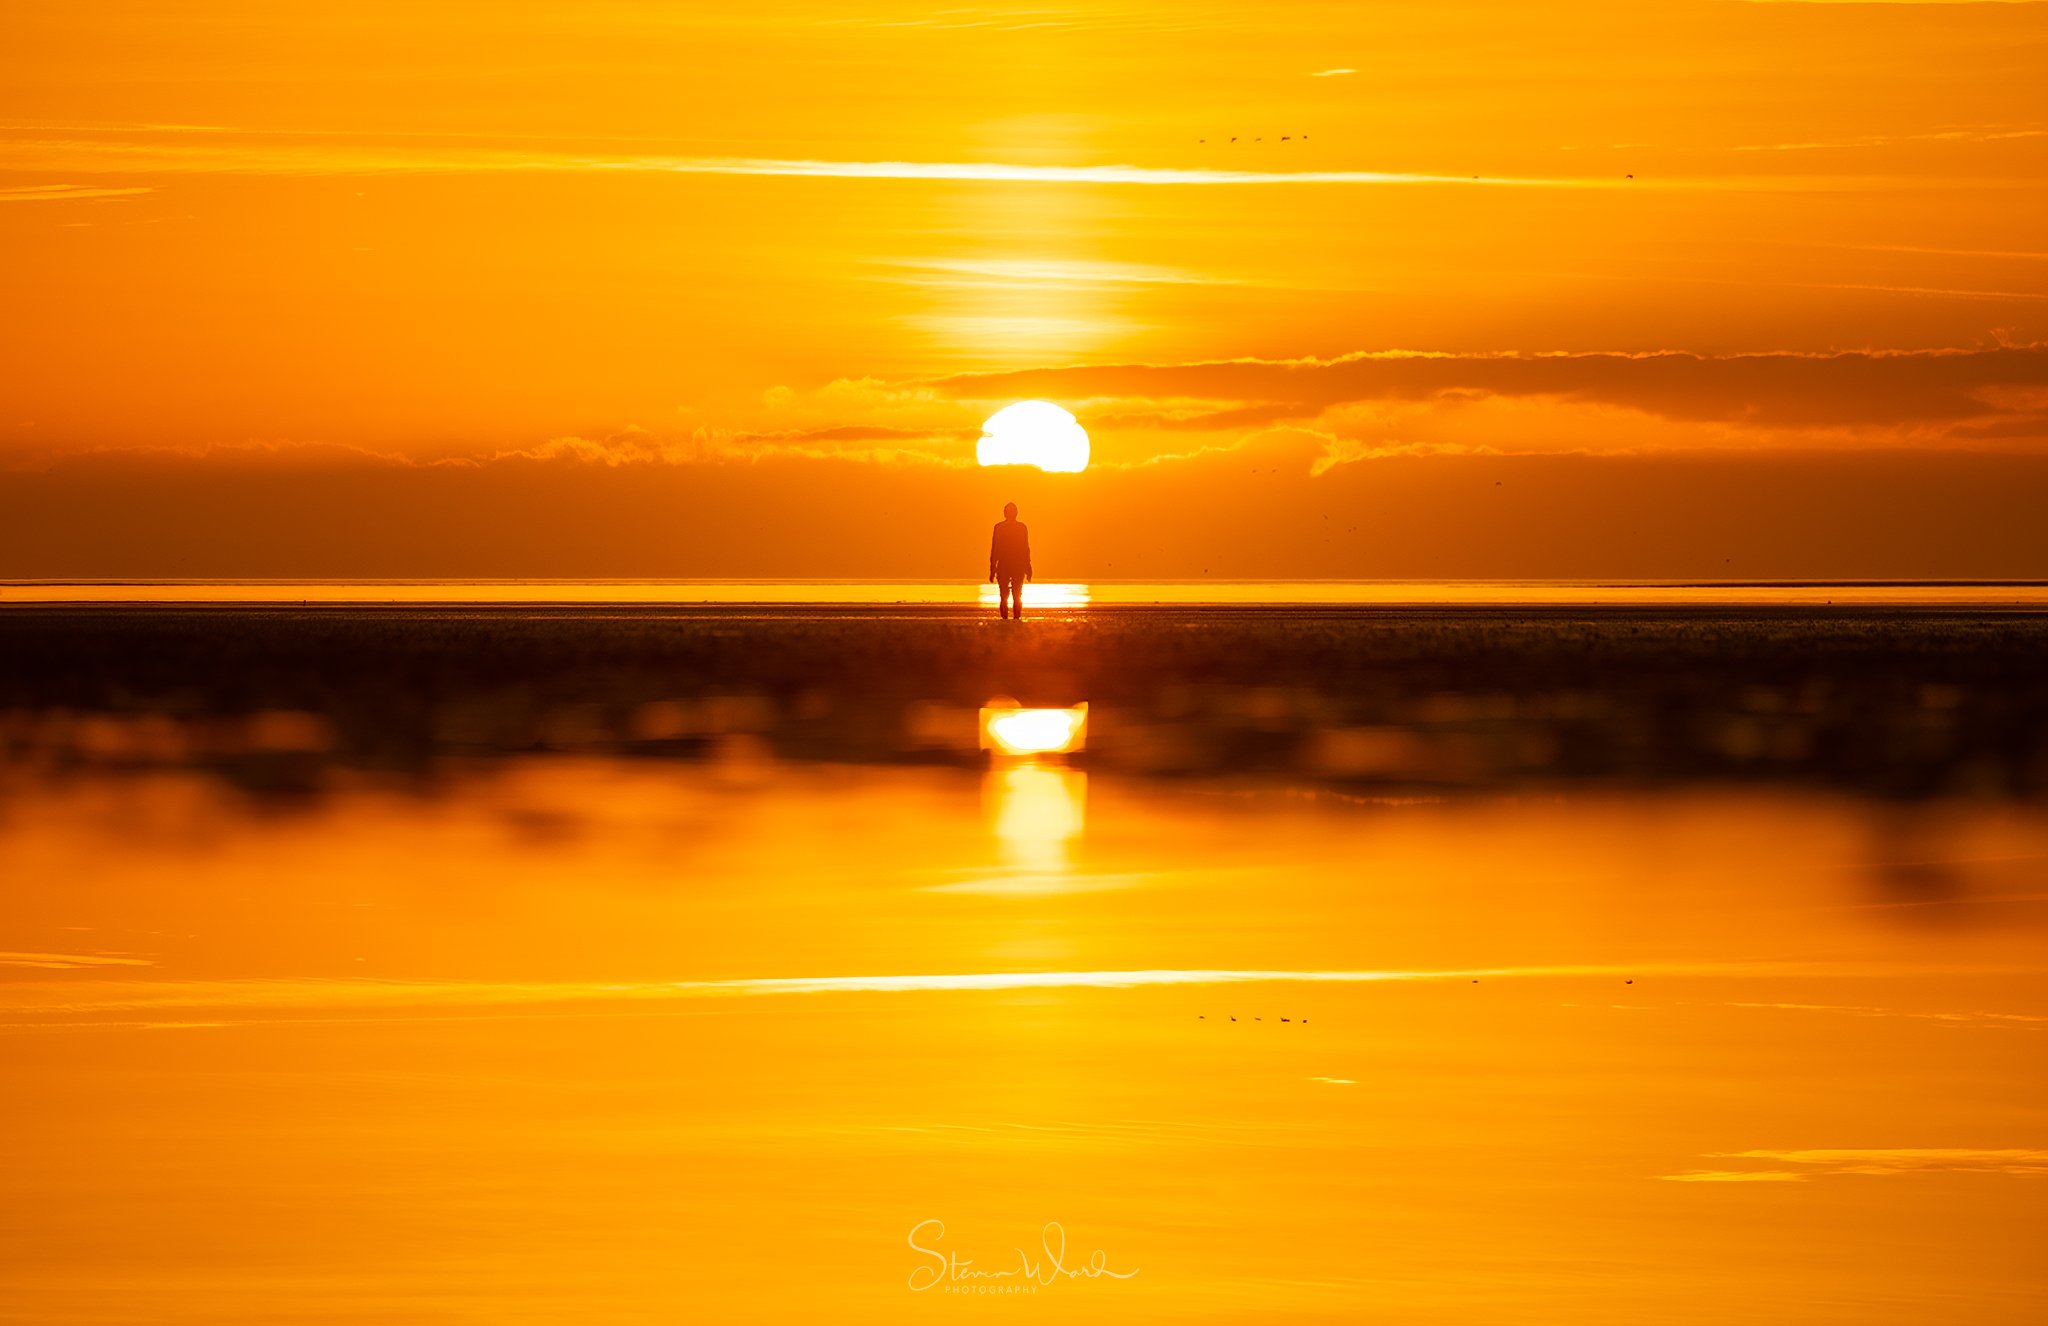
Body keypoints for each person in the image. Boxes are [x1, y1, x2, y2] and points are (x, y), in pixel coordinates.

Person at [988, 502, 1032, 620]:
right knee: (1013, 594)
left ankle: (1010, 617)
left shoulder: (1017, 527)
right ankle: (1011, 617)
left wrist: (1028, 567)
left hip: (1012, 565)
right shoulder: (1002, 527)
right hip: (1009, 565)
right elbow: (995, 548)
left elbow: (1025, 548)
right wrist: (992, 570)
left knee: (1009, 594)